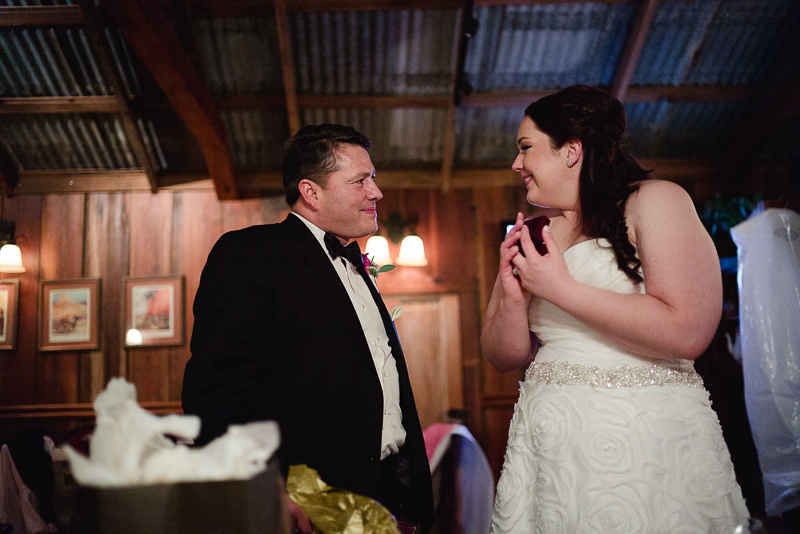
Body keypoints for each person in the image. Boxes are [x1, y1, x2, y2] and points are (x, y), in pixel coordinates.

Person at [482, 85, 749, 533]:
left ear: (570, 151)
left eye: (526, 148)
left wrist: (561, 289)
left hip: (643, 434)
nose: (516, 164)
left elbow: (689, 331)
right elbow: (502, 355)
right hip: (551, 442)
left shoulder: (654, 200)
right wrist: (512, 298)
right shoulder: (534, 231)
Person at [182, 123, 434, 533]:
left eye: (374, 178)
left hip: (389, 491)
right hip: (311, 502)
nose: (377, 192)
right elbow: (215, 393)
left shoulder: (357, 264)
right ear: (311, 192)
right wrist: (268, 487)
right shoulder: (251, 255)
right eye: (360, 181)